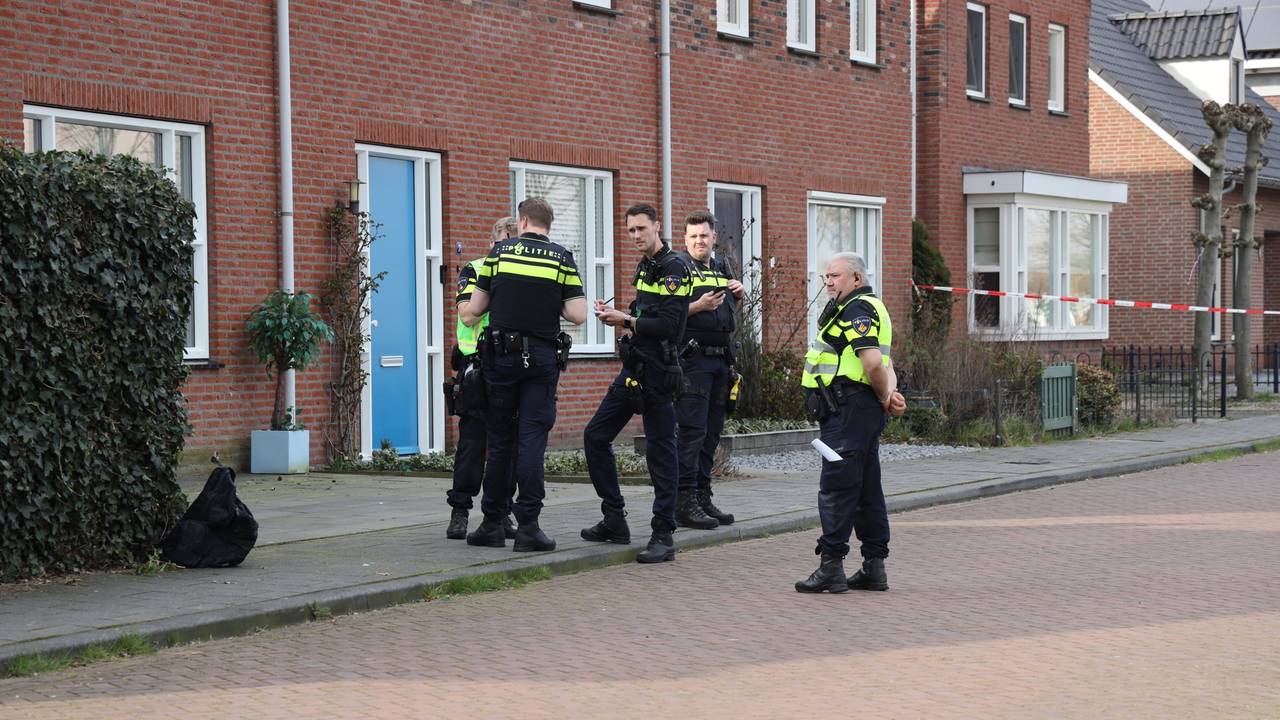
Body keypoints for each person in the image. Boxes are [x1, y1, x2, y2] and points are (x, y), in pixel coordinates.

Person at [462, 198, 587, 551]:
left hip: (501, 360)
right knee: (532, 440)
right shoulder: (562, 257)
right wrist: (552, 300)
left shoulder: (499, 254)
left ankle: (491, 524)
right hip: (541, 360)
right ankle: (529, 525)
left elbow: (475, 308)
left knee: (500, 441)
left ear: (522, 220)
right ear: (549, 223)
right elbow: (577, 314)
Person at [581, 204, 692, 563]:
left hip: (659, 371)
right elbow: (646, 313)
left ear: (657, 226)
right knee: (596, 435)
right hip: (635, 369)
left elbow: (672, 326)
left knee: (661, 451)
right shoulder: (646, 266)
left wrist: (625, 319)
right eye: (630, 230)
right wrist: (619, 316)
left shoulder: (675, 267)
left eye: (641, 229)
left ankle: (664, 535)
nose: (635, 236)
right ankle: (614, 518)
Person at [795, 252, 906, 594]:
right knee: (866, 489)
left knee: (837, 488)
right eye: (826, 276)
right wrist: (888, 394)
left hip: (848, 412)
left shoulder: (859, 309)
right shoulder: (862, 309)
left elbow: (873, 363)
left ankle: (831, 566)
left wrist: (885, 393)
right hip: (854, 411)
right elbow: (882, 362)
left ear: (857, 279)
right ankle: (874, 566)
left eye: (835, 276)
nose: (828, 282)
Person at [444, 217, 519, 541]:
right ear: (493, 240)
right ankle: (460, 510)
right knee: (472, 445)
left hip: (510, 367)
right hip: (477, 367)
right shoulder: (474, 270)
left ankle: (501, 513)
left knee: (507, 446)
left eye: (516, 240)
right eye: (505, 239)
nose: (510, 246)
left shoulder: (520, 274)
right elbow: (466, 314)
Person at [674, 211, 743, 529]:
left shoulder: (721, 266)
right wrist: (696, 306)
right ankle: (683, 501)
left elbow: (725, 315)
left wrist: (738, 298)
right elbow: (665, 313)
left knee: (711, 433)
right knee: (692, 432)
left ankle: (702, 496)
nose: (699, 241)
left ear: (714, 237)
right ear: (685, 240)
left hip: (720, 362)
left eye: (704, 235)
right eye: (693, 236)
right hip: (693, 361)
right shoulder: (678, 268)